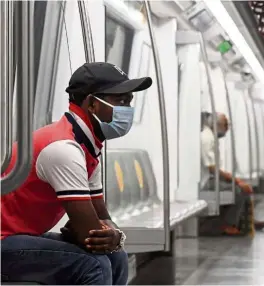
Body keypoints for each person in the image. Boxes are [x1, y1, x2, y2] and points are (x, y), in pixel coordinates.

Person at [1, 62, 153, 284]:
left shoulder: (87, 146)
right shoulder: (63, 148)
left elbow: (102, 219)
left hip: (18, 238)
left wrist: (114, 238)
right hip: (5, 241)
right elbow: (90, 232)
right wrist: (115, 236)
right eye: (120, 101)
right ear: (92, 103)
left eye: (129, 101)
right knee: (94, 265)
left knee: (115, 256)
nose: (127, 109)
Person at [200, 112, 264, 235]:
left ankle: (248, 221)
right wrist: (235, 180)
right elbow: (212, 169)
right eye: (225, 125)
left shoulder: (211, 137)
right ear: (217, 125)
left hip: (211, 179)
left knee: (244, 188)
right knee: (238, 190)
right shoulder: (207, 138)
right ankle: (227, 224)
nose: (227, 128)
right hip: (205, 182)